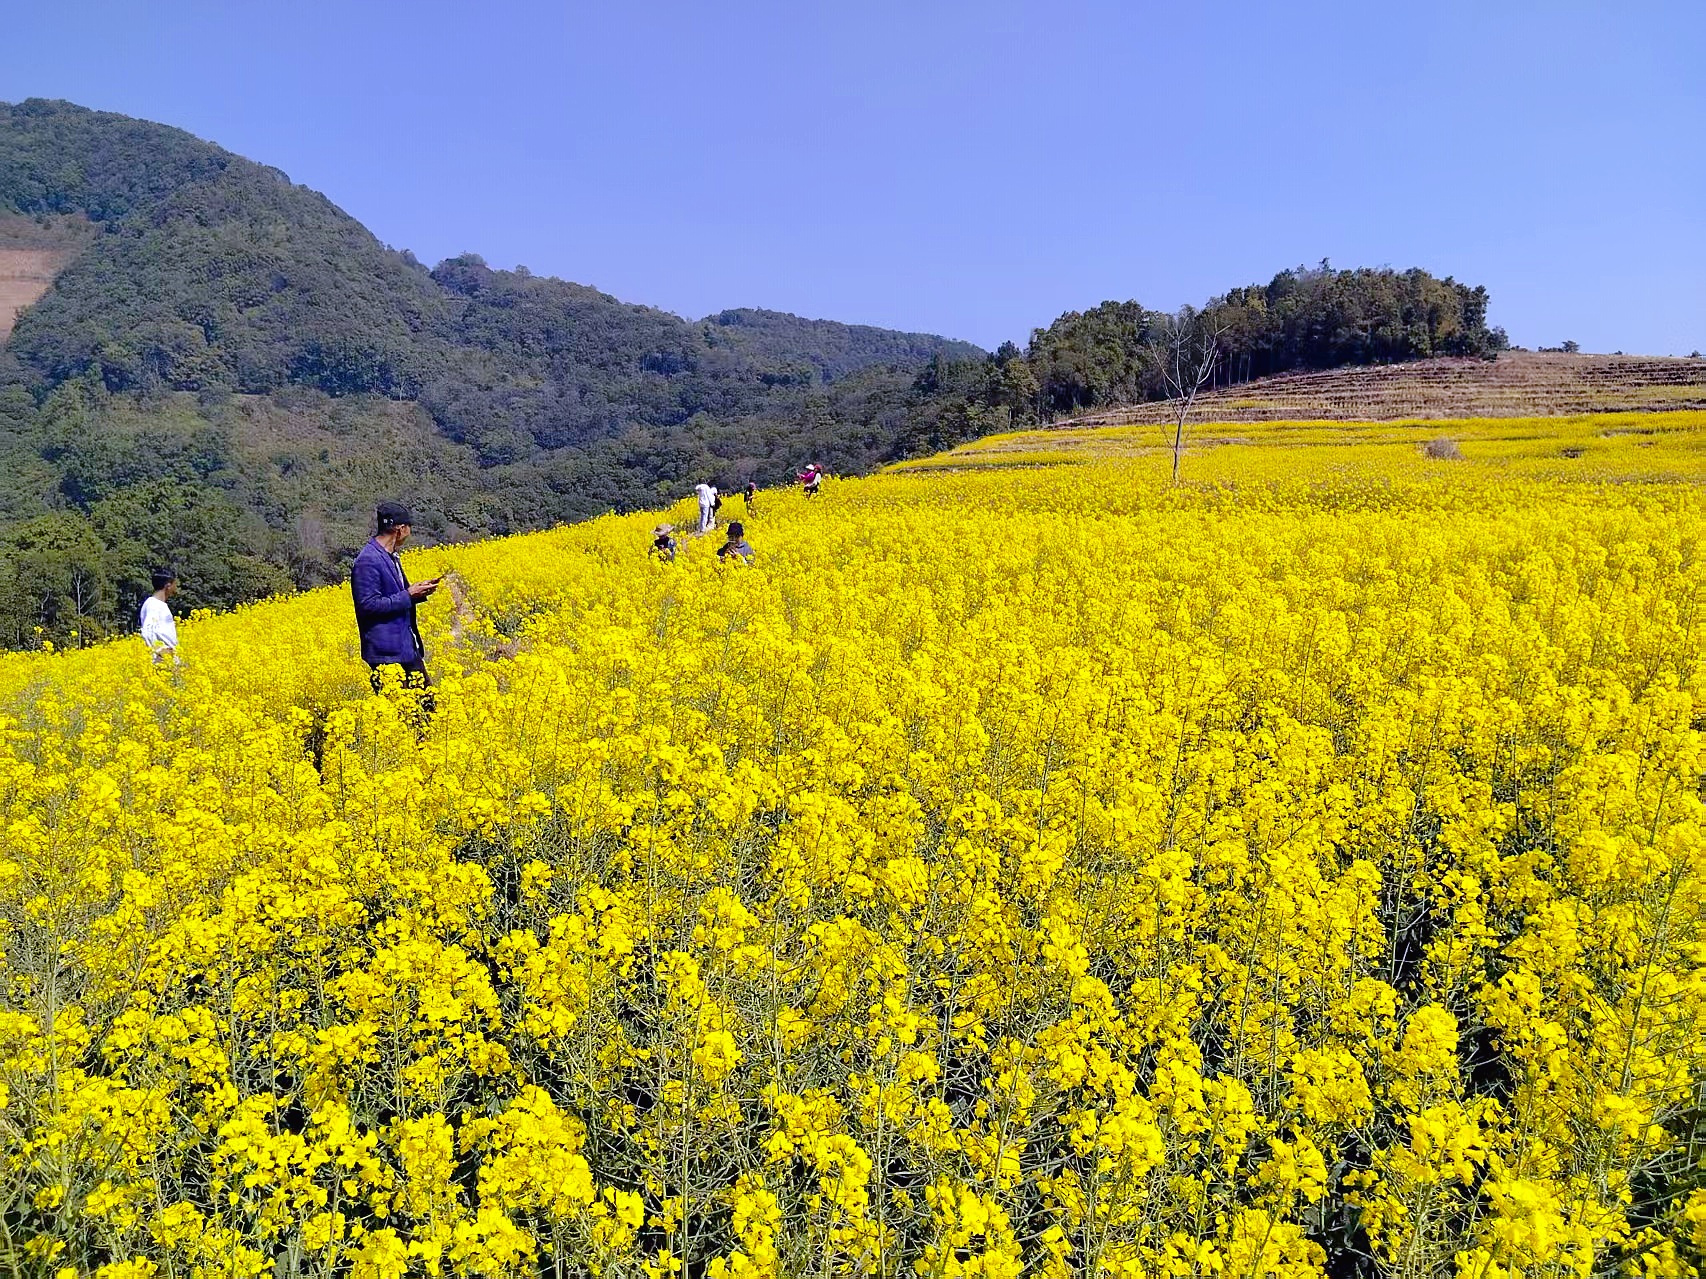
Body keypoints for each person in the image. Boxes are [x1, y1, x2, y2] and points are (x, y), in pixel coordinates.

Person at [351, 500, 440, 700]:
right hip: (386, 653)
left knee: (428, 707)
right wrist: (409, 595)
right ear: (400, 529)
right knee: (399, 716)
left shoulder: (389, 555)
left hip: (405, 647)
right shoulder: (368, 561)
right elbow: (368, 605)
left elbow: (395, 594)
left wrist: (418, 592)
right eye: (409, 527)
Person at [140, 569, 180, 664]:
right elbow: (147, 631)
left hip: (168, 659)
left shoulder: (157, 604)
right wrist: (159, 651)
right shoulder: (154, 605)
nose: (176, 588)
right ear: (168, 586)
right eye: (175, 584)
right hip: (162, 661)